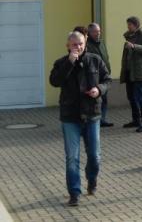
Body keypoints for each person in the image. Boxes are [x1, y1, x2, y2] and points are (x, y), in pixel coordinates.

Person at [49, 31, 111, 207]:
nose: (78, 47)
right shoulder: (61, 62)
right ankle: (74, 193)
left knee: (94, 156)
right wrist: (69, 63)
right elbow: (54, 81)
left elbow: (107, 79)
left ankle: (91, 179)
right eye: (74, 44)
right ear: (68, 45)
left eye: (81, 44)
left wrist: (99, 89)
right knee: (72, 158)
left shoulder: (95, 60)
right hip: (70, 117)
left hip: (92, 114)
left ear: (85, 44)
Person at [120, 16, 142, 133]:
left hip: (139, 71)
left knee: (139, 97)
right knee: (131, 97)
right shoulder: (129, 36)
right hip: (129, 71)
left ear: (136, 25)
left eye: (130, 24)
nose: (128, 27)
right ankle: (136, 120)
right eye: (128, 24)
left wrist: (134, 46)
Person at [87, 23, 113, 127]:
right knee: (94, 101)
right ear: (89, 33)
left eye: (99, 31)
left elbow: (106, 58)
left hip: (103, 76)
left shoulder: (101, 43)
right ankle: (93, 120)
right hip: (94, 77)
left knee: (104, 100)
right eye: (95, 31)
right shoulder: (87, 45)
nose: (97, 33)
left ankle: (102, 119)